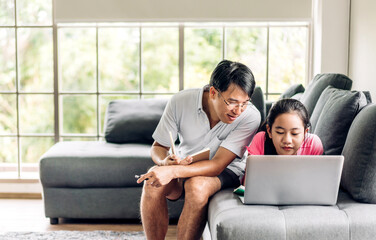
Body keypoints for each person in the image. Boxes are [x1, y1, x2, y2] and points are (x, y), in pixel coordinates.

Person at [137, 60, 260, 240]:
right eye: (232, 102)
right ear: (213, 93)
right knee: (152, 179)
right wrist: (164, 162)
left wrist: (172, 171)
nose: (238, 110)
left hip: (227, 171)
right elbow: (158, 147)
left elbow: (218, 165)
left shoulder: (251, 116)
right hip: (186, 165)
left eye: (244, 103)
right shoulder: (180, 101)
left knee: (197, 186)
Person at [247, 98, 323, 156]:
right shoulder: (261, 140)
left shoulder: (313, 144)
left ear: (305, 133)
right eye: (280, 132)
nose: (287, 140)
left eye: (294, 133)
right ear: (269, 131)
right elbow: (250, 176)